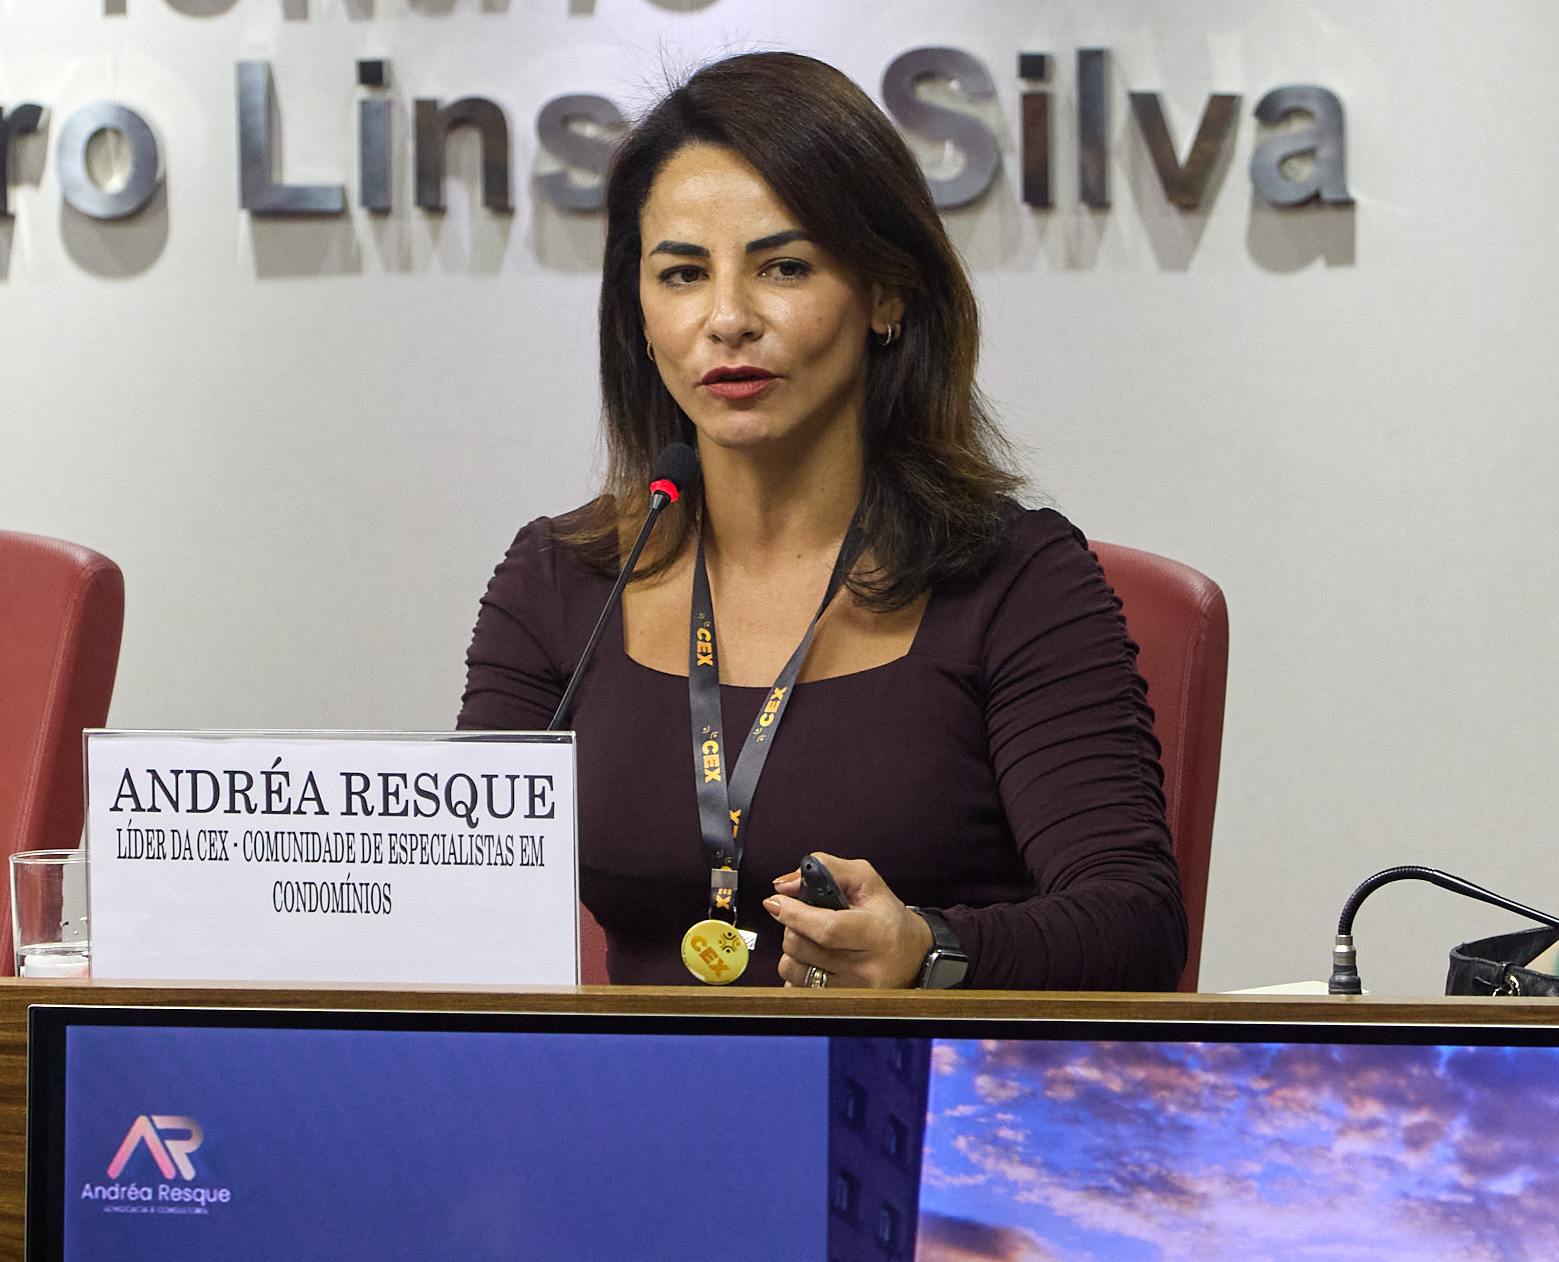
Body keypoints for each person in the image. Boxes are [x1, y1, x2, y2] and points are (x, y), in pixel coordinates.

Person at [458, 52, 1184, 991]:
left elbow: (1134, 920)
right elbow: (465, 899)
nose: (727, 318)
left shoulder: (1014, 578)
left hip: (910, 1078)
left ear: (886, 291)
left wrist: (927, 950)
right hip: (633, 1083)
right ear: (637, 311)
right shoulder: (562, 580)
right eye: (682, 274)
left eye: (785, 267)